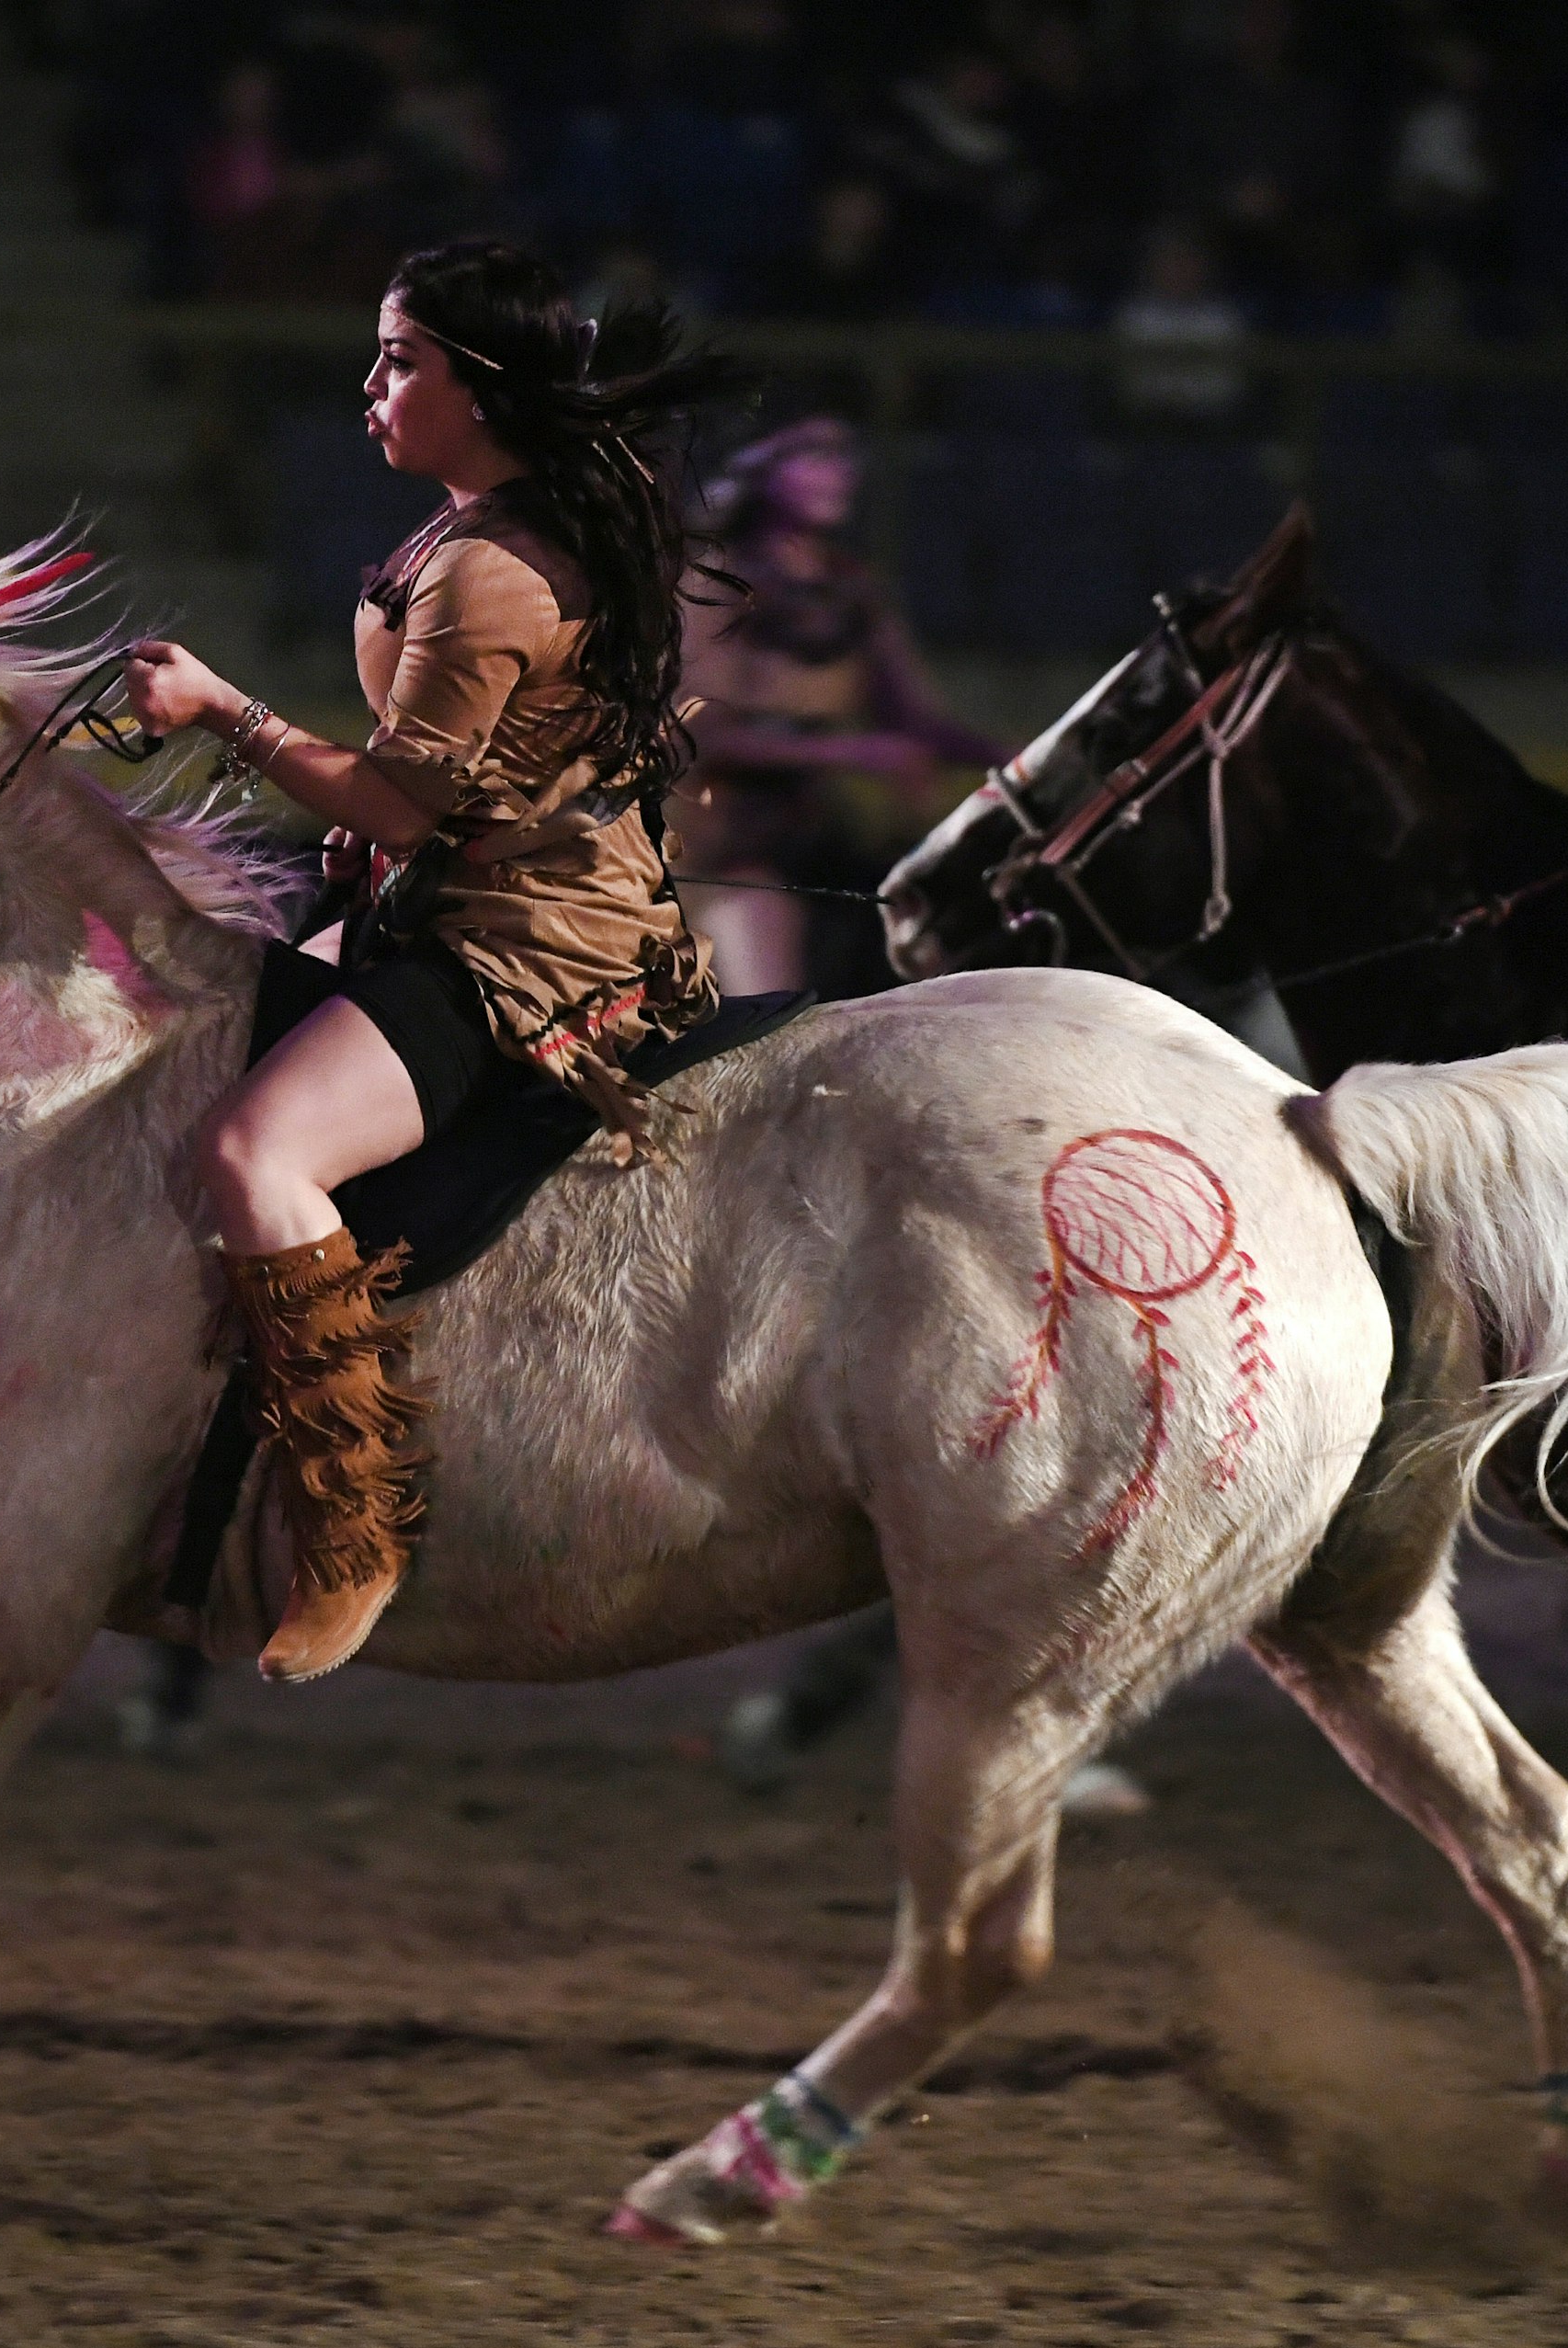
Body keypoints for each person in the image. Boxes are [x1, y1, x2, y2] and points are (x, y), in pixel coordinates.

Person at [121, 239, 733, 1681]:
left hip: (521, 947)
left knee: (253, 1156)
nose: (371, 383)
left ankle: (352, 1529)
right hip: (483, 895)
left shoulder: (488, 571)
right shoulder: (491, 531)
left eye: (403, 359)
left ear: (483, 384)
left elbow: (403, 798)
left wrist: (222, 710)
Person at [673, 414, 1004, 996]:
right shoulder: (715, 578)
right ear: (758, 466)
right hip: (719, 847)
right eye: (813, 455)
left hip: (814, 838)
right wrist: (854, 751)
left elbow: (914, 720)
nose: (839, 472)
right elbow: (697, 730)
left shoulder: (850, 586)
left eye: (844, 456)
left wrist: (1017, 758)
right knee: (765, 1008)